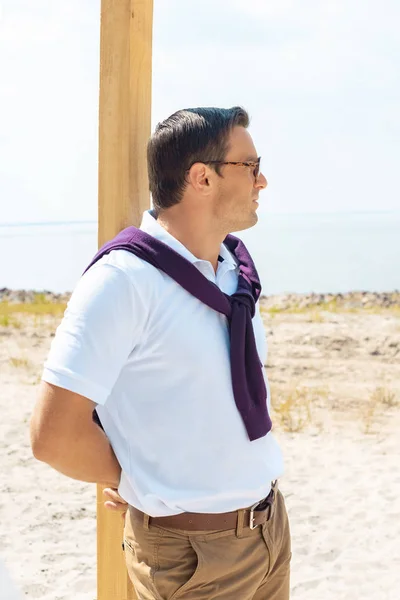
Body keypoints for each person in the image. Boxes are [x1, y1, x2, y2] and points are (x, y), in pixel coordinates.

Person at [30, 107, 291, 599]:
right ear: (201, 178)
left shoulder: (234, 270)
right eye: (251, 166)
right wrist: (141, 478)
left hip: (269, 529)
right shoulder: (123, 281)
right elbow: (52, 436)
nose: (263, 181)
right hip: (193, 555)